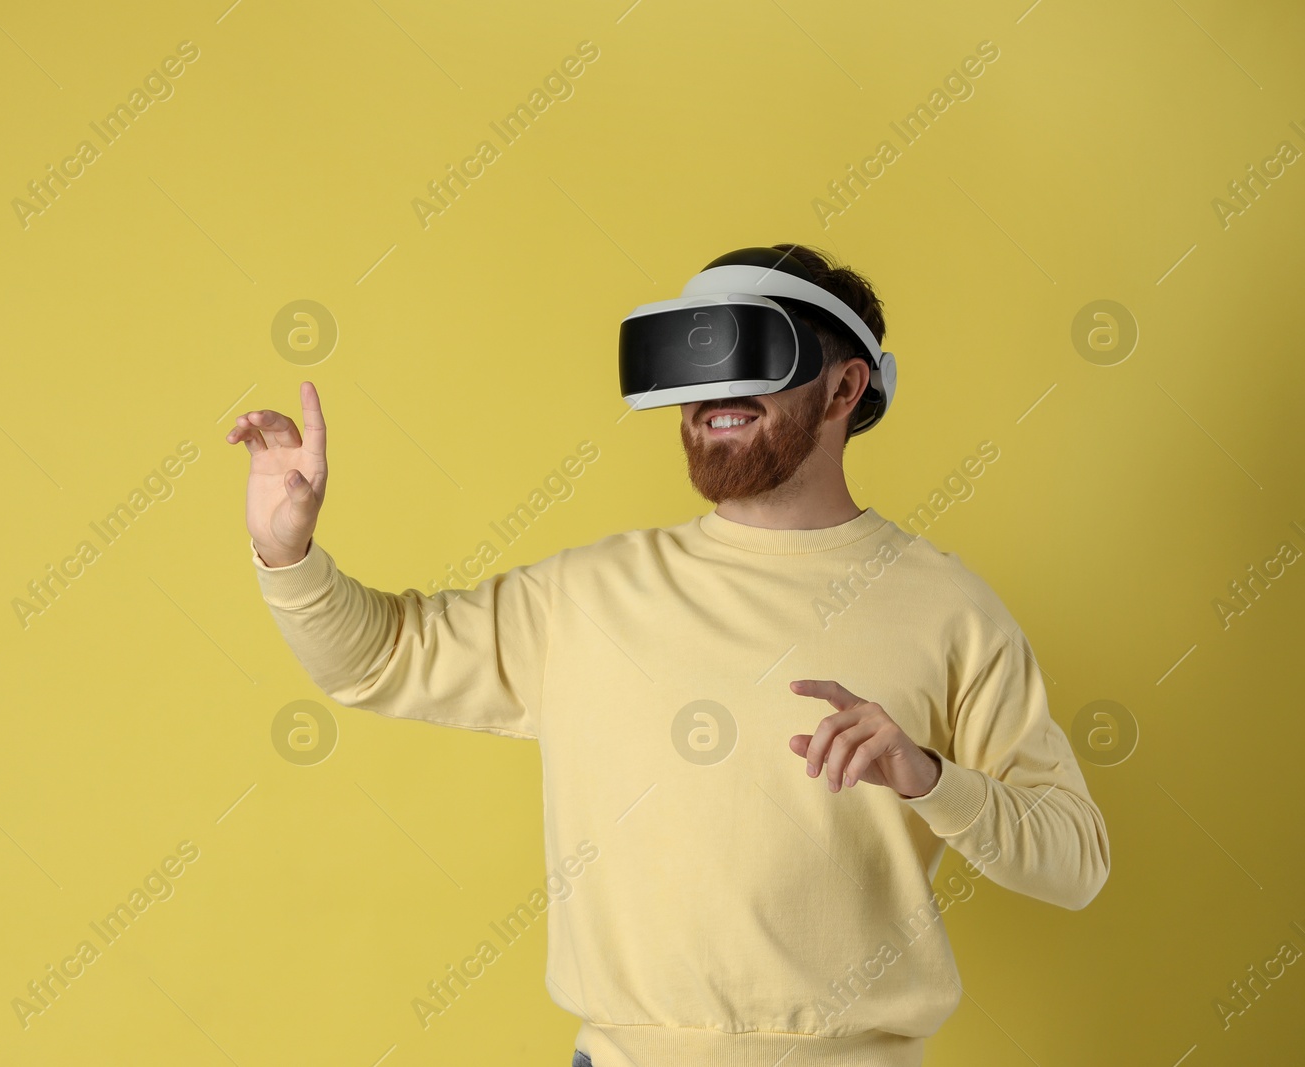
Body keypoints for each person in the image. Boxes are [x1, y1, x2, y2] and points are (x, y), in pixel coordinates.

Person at [230, 243, 1110, 1067]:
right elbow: (376, 657)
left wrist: (929, 777)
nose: (712, 388)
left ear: (845, 389)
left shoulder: (949, 609)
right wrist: (289, 553)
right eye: (692, 362)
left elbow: (1074, 860)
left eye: (745, 354)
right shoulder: (590, 594)